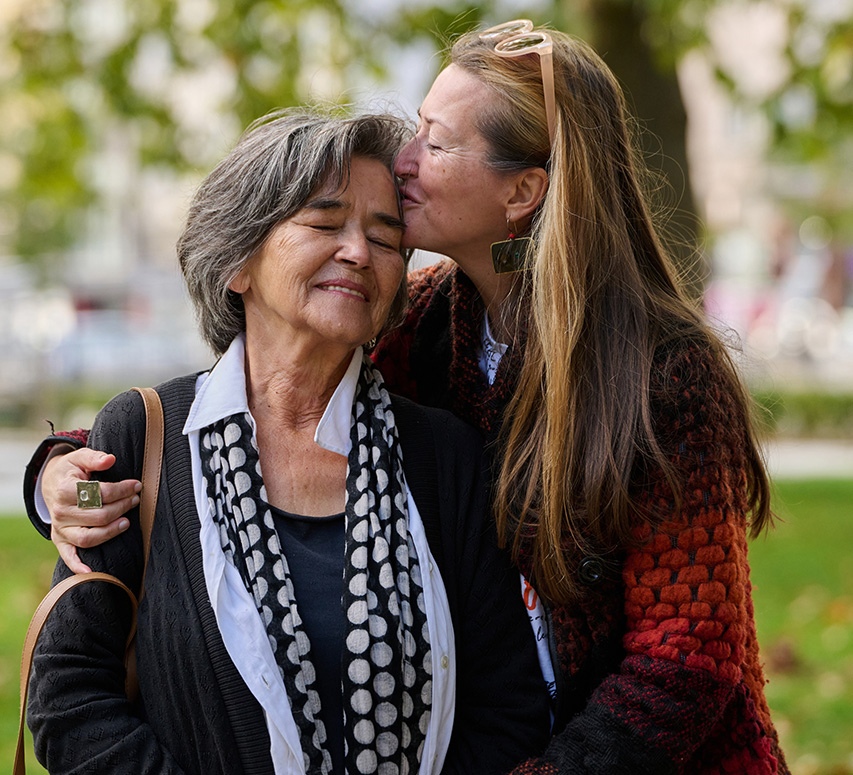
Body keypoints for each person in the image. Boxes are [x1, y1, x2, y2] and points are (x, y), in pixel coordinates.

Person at [24, 19, 788, 774]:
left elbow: (685, 662)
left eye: (436, 141)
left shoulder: (661, 371)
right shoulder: (423, 318)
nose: (404, 159)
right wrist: (60, 468)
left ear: (522, 191)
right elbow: (248, 388)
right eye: (414, 129)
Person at [24, 109, 550, 775]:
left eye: (385, 238)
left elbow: (507, 706)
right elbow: (69, 699)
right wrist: (48, 476)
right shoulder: (139, 436)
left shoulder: (443, 456)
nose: (358, 251)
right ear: (238, 262)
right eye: (325, 224)